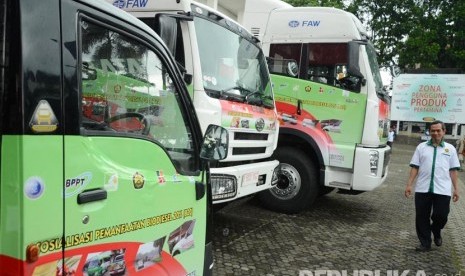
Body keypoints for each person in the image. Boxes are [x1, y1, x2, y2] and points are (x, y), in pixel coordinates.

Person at [404, 120, 460, 252]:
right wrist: (409, 185)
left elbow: (453, 170)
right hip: (423, 188)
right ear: (429, 132)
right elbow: (415, 167)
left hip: (443, 189)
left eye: (438, 130)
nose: (435, 133)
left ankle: (436, 230)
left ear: (444, 131)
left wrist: (456, 189)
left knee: (441, 215)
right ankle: (425, 243)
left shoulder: (450, 149)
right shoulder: (421, 147)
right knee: (422, 216)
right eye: (433, 130)